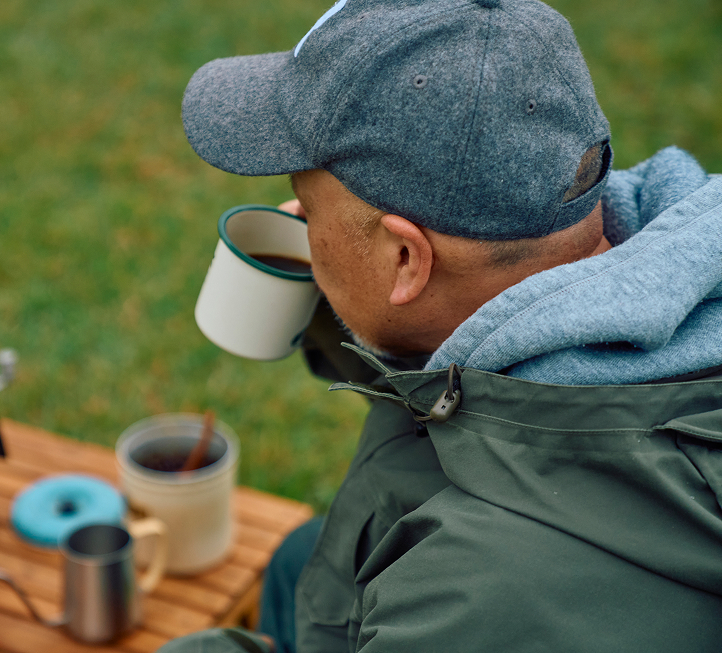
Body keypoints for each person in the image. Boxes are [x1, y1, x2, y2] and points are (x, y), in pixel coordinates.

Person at [165, 0, 722, 651]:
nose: (294, 215)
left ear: (407, 258)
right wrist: (354, 281)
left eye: (309, 206)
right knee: (297, 560)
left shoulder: (477, 594)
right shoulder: (614, 248)